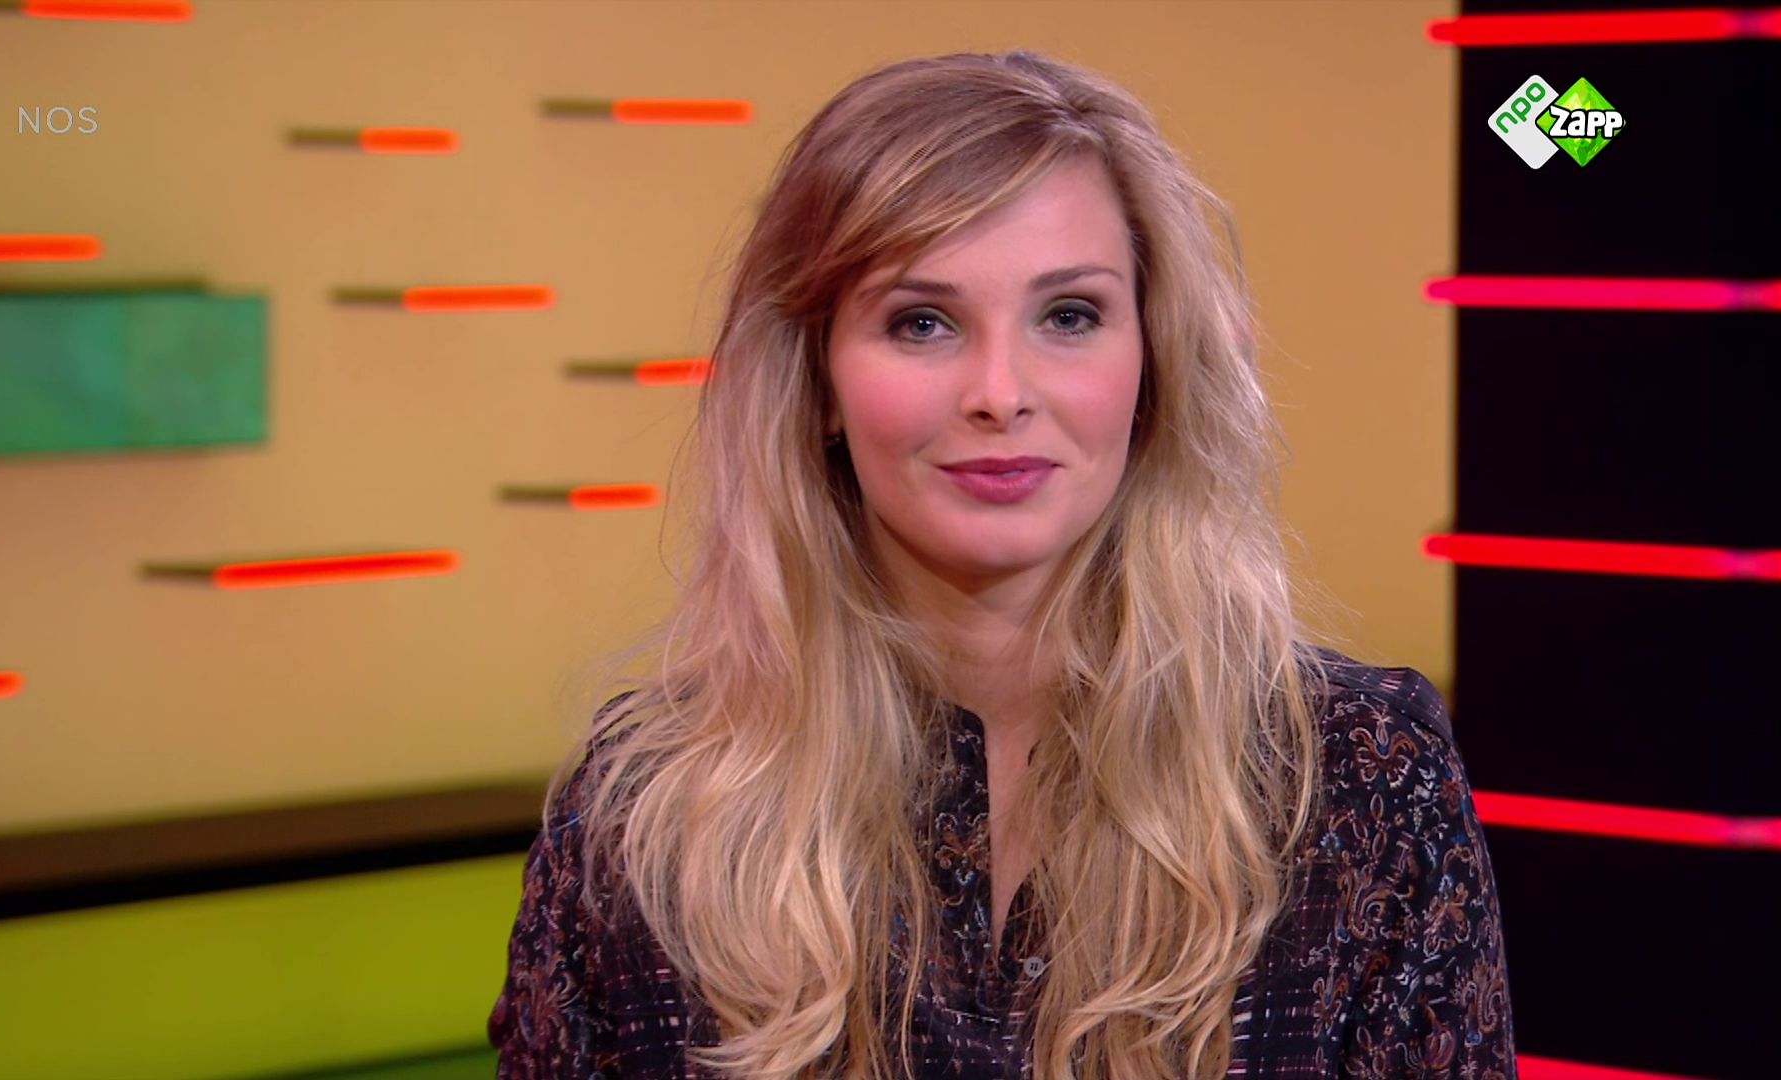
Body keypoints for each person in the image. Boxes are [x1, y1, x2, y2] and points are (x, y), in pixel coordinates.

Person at [488, 50, 1515, 1080]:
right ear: (818, 382)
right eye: (921, 322)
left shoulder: (1358, 775)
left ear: (1152, 364)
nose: (999, 392)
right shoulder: (639, 818)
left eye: (1068, 315)